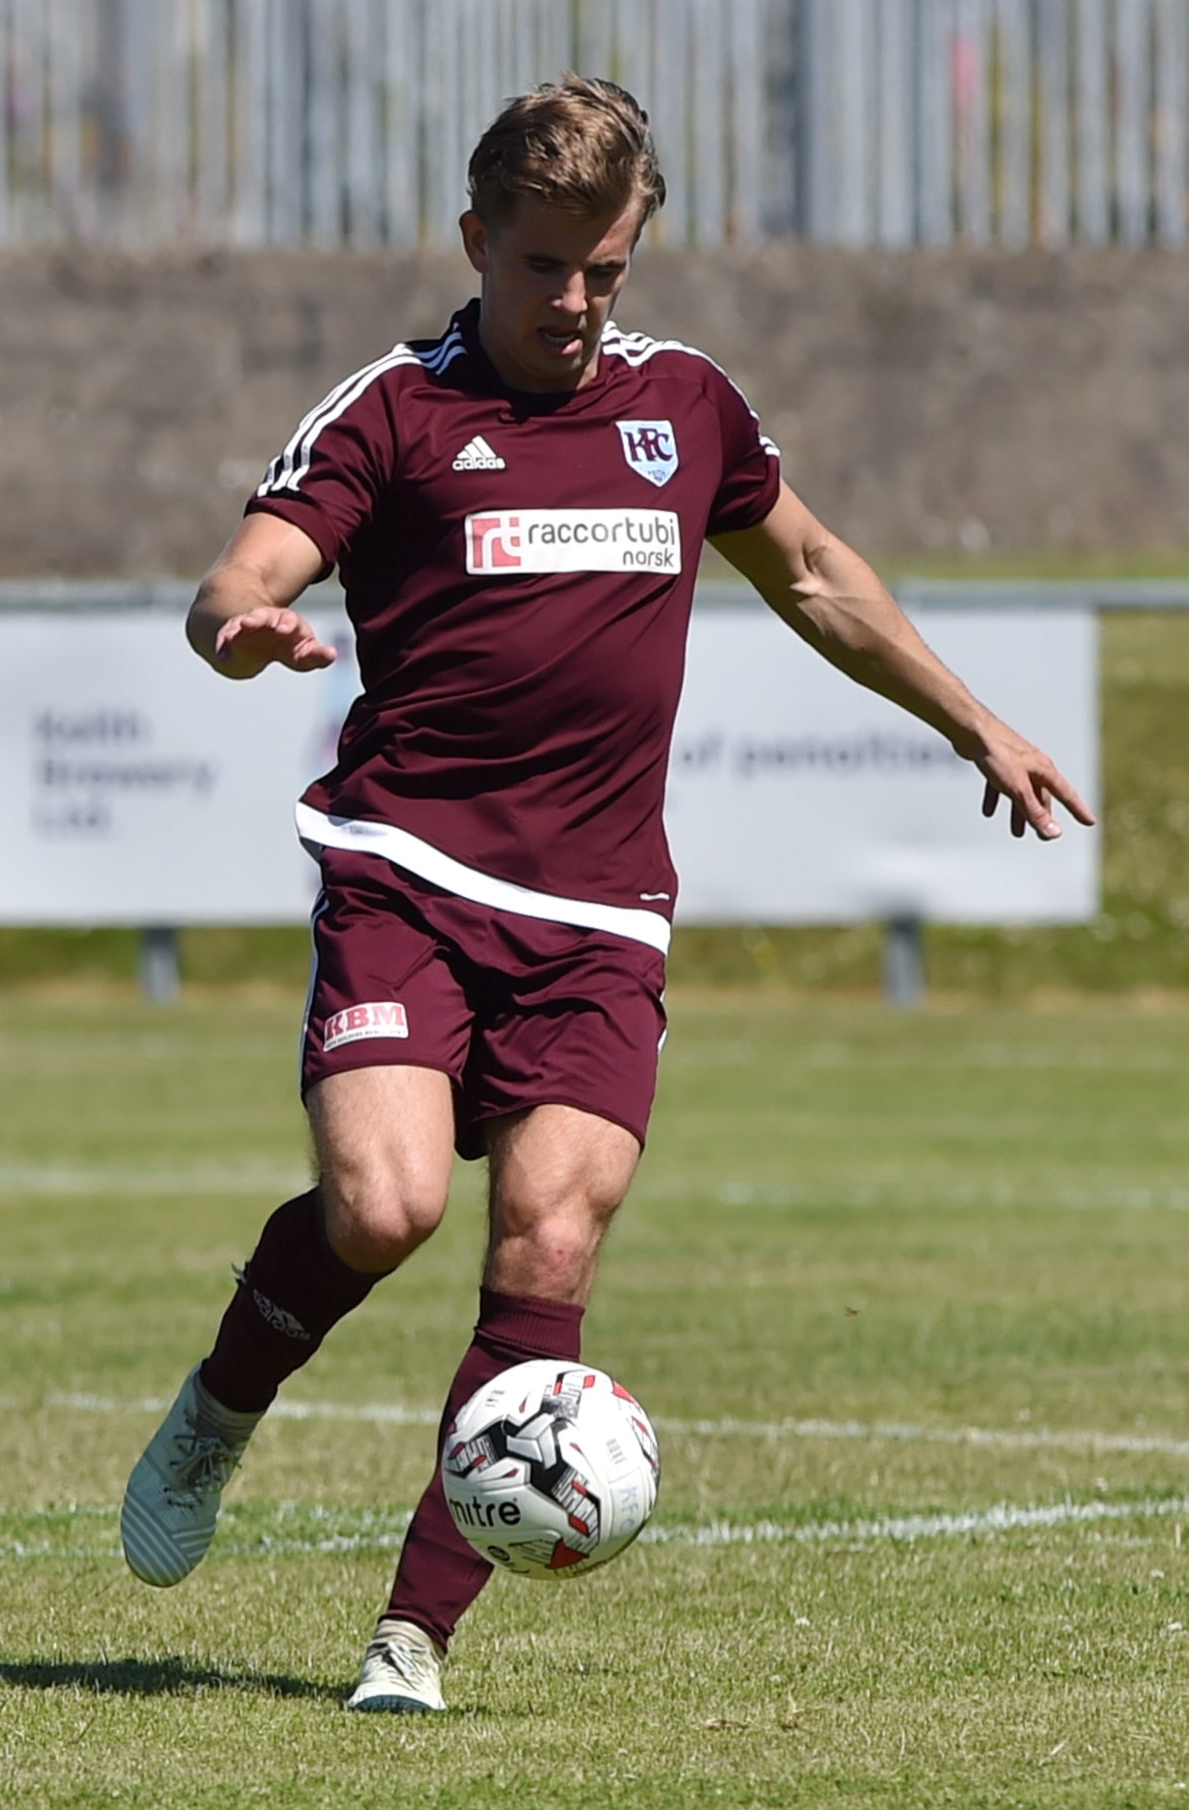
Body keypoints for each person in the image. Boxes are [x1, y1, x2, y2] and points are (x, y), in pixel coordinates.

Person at [117, 77, 1092, 1713]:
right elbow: (240, 575)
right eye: (544, 267)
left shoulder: (688, 410)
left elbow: (820, 577)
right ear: (476, 239)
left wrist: (970, 714)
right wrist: (248, 630)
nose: (573, 305)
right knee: (384, 1208)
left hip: (600, 923)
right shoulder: (391, 415)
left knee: (549, 1243)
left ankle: (409, 1638)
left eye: (607, 273)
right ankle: (221, 1405)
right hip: (411, 881)